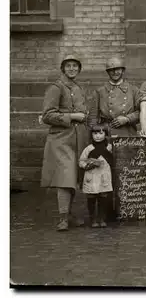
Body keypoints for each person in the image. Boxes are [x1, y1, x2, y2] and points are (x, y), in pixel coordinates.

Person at [40, 55, 89, 231]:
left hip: (78, 138)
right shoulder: (55, 88)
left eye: (75, 66)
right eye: (68, 66)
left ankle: (69, 215)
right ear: (63, 68)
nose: (72, 69)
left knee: (73, 177)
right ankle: (63, 218)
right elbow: (47, 115)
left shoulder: (79, 88)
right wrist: (72, 116)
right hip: (61, 139)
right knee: (64, 178)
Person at [89, 57, 141, 136]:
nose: (115, 72)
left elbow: (141, 112)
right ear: (108, 72)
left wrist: (127, 119)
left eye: (118, 69)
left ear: (123, 70)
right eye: (111, 70)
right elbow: (93, 117)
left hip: (128, 132)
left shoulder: (133, 90)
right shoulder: (100, 91)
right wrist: (94, 135)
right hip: (106, 131)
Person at [79, 124, 113, 228]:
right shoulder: (89, 148)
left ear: (105, 134)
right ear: (91, 135)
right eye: (95, 133)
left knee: (103, 198)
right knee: (92, 198)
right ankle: (93, 219)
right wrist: (87, 165)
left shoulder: (109, 147)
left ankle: (101, 218)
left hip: (103, 176)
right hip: (92, 176)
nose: (98, 136)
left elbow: (113, 159)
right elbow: (81, 161)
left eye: (101, 133)